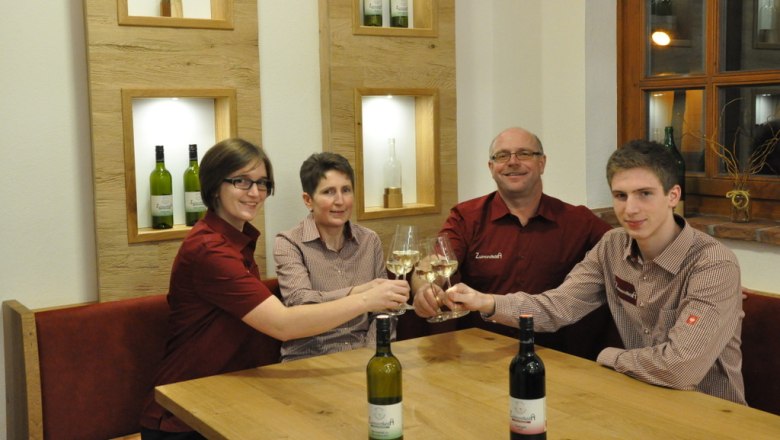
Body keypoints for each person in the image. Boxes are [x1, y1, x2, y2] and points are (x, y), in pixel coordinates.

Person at [139, 139, 409, 439]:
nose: (255, 193)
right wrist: (366, 298)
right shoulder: (209, 249)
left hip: (233, 394)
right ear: (215, 186)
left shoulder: (235, 240)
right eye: (241, 182)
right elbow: (283, 324)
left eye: (262, 183)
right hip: (185, 411)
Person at [447, 139, 746, 404]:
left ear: (673, 195)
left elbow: (680, 369)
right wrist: (486, 302)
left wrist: (607, 356)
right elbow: (558, 306)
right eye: (620, 195)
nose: (630, 209)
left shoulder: (713, 265)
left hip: (709, 413)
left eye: (645, 194)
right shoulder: (613, 245)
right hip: (639, 399)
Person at [412, 127, 613, 360]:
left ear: (542, 163)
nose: (512, 162)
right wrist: (424, 287)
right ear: (491, 168)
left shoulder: (578, 221)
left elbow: (623, 252)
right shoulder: (467, 217)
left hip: (555, 356)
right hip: (481, 355)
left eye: (524, 154)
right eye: (502, 156)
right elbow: (435, 261)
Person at [274, 152, 409, 361]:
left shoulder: (369, 240)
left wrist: (373, 355)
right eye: (329, 192)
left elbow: (384, 311)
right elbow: (302, 304)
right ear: (308, 200)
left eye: (346, 190)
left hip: (365, 356)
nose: (340, 201)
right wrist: (360, 294)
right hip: (310, 360)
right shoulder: (289, 243)